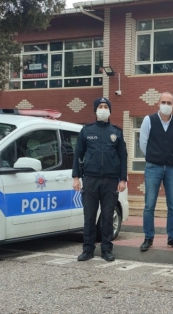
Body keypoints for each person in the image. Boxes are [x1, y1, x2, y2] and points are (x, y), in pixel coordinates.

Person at [72, 97, 127, 262]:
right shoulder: (86, 131)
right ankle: (88, 250)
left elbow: (123, 157)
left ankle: (106, 250)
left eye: (106, 107)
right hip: (90, 179)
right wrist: (76, 177)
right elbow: (78, 154)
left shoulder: (116, 132)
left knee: (108, 216)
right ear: (95, 110)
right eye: (100, 107)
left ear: (110, 110)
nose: (103, 109)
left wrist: (122, 179)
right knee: (89, 216)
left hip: (110, 181)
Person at [139, 92, 173, 251]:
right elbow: (143, 143)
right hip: (153, 167)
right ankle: (148, 238)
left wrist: (172, 159)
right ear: (158, 103)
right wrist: (154, 158)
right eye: (163, 102)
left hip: (172, 169)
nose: (166, 105)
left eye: (169, 102)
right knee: (149, 205)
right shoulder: (148, 120)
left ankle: (172, 238)